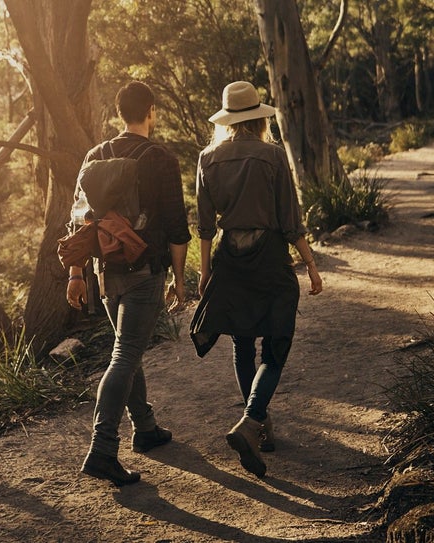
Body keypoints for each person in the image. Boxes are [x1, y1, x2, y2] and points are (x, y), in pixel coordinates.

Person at [190, 81, 323, 478]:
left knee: (242, 342)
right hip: (268, 257)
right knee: (277, 343)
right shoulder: (273, 155)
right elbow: (289, 219)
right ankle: (251, 423)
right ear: (258, 118)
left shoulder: (207, 158)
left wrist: (206, 272)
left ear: (228, 120)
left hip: (229, 257)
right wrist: (311, 265)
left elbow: (204, 226)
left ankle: (260, 426)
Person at [67, 81, 190, 487]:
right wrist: (179, 279)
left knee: (128, 348)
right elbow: (176, 228)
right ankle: (102, 450)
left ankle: (146, 427)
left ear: (120, 113)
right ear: (150, 111)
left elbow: (78, 220)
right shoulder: (160, 158)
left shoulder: (94, 155)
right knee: (124, 354)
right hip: (143, 272)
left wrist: (75, 274)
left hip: (105, 274)